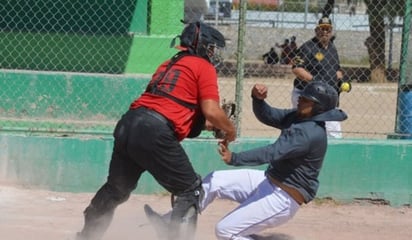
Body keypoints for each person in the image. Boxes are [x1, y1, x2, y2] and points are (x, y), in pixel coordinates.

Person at [75, 21, 237, 240]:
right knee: (191, 189)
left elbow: (168, 106)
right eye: (210, 48)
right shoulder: (203, 66)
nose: (213, 54)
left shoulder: (167, 65)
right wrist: (230, 129)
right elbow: (211, 111)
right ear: (199, 45)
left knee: (117, 189)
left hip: (129, 123)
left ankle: (86, 235)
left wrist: (209, 125)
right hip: (154, 131)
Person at [144, 81, 347, 240]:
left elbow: (272, 153)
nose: (300, 99)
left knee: (225, 231)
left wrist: (235, 158)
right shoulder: (301, 117)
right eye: (302, 96)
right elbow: (270, 116)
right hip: (269, 181)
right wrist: (257, 99)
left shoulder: (309, 133)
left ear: (319, 108)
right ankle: (171, 224)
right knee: (214, 181)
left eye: (306, 99)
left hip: (283, 198)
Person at [291, 16, 348, 138]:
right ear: (316, 30)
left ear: (331, 31)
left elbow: (337, 69)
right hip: (306, 96)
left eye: (328, 29)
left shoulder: (332, 48)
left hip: (326, 96)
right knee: (305, 128)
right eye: (322, 29)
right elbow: (296, 68)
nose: (325, 32)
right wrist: (314, 81)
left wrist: (341, 81)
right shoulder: (308, 47)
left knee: (334, 132)